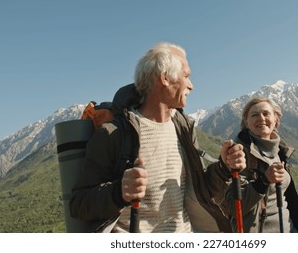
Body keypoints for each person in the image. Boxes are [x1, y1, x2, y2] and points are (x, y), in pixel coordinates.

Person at [69, 42, 244, 233]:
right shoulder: (112, 134)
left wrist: (224, 168)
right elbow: (79, 204)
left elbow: (197, 193)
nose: (191, 85)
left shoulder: (184, 127)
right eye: (186, 76)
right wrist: (119, 192)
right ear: (165, 78)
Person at [208, 97, 298, 233]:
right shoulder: (239, 154)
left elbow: (280, 194)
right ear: (246, 122)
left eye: (266, 113)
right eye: (254, 115)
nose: (261, 118)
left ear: (275, 119)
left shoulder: (280, 150)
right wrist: (264, 181)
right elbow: (234, 206)